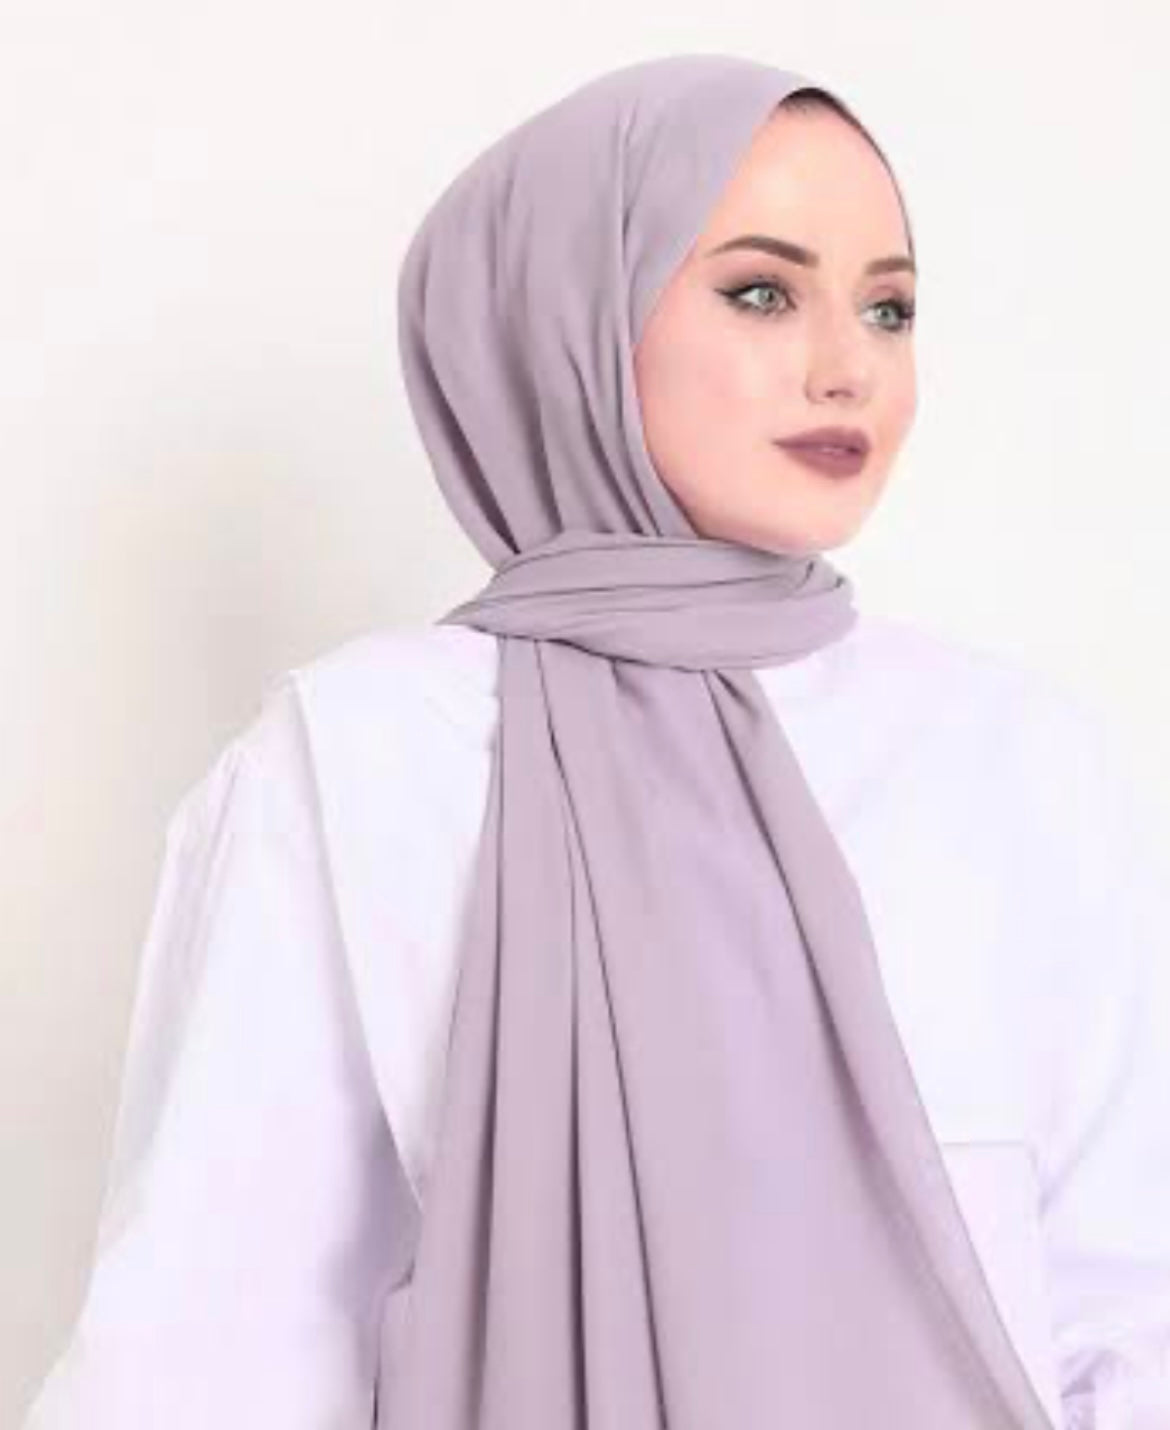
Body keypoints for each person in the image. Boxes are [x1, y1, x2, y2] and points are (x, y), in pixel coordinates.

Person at [20, 54, 1170, 1430]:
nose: (845, 365)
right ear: (568, 315)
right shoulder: (371, 754)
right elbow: (212, 1344)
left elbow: (1126, 1307)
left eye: (888, 307)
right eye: (762, 291)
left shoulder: (1010, 757)